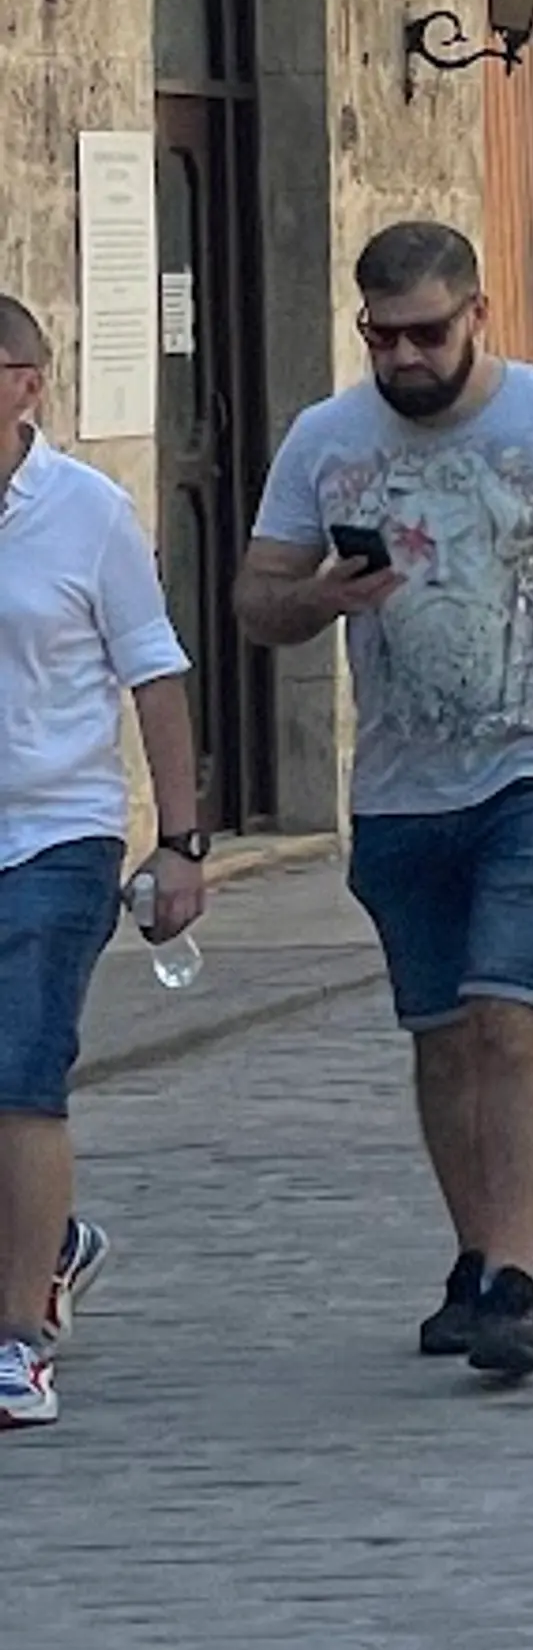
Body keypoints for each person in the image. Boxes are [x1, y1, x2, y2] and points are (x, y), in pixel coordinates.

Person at [235, 219, 533, 1387]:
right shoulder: (323, 440)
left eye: (427, 333)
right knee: (440, 1034)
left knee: (507, 1010)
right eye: (383, 337)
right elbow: (256, 603)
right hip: (396, 787)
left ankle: (518, 1278)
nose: (405, 359)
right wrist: (324, 597)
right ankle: (473, 1248)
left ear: (478, 315)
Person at [0, 290, 206, 1434]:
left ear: (27, 382)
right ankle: (51, 1240)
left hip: (55, 831)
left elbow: (155, 673)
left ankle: (17, 1336)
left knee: (21, 1067)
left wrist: (178, 842)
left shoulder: (87, 514)